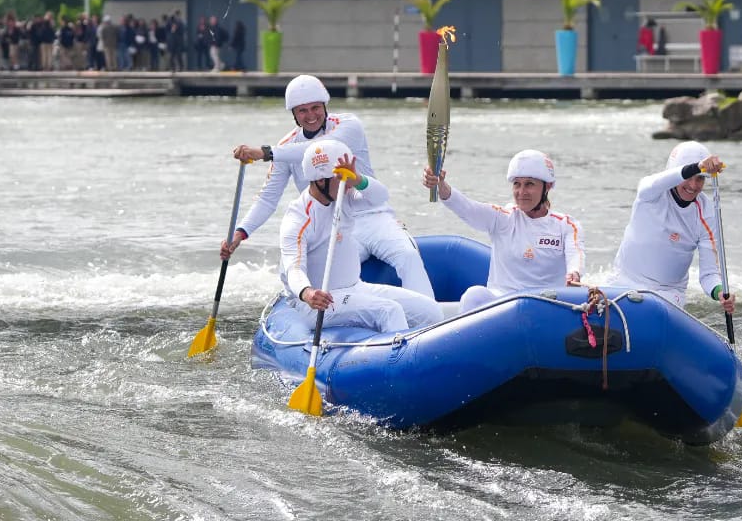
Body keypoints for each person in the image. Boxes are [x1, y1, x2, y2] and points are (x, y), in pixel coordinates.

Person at [227, 74, 435, 298]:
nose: (310, 116)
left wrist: (267, 153)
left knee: (408, 256)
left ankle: (430, 315)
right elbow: (268, 198)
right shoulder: (285, 147)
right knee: (329, 279)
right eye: (302, 111)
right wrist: (240, 232)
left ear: (325, 106)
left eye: (315, 107)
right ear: (294, 115)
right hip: (335, 226)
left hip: (373, 216)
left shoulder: (348, 125)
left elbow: (321, 148)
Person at [281, 141, 442, 331]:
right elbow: (294, 268)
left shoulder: (344, 196)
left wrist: (358, 180)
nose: (347, 185)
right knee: (389, 311)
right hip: (317, 302)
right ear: (320, 180)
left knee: (430, 310)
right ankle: (400, 357)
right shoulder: (298, 219)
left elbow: (380, 196)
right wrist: (307, 293)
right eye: (341, 178)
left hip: (355, 288)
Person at [422, 149, 585, 312]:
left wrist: (574, 273)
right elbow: (467, 208)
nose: (521, 192)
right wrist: (440, 185)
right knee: (474, 295)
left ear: (547, 186)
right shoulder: (502, 218)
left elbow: (575, 256)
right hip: (503, 306)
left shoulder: (567, 225)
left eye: (529, 184)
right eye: (517, 184)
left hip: (547, 305)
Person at [612, 141, 736, 315]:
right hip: (623, 284)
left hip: (668, 295)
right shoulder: (650, 192)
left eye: (700, 178)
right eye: (689, 176)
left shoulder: (708, 213)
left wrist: (720, 291)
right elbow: (654, 183)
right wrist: (697, 167)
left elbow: (709, 275)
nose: (693, 186)